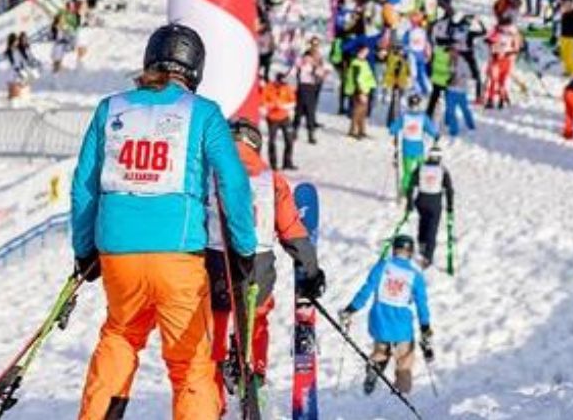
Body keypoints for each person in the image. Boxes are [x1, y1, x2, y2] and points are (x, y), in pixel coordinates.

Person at [71, 23, 257, 420]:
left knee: (120, 336)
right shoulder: (203, 112)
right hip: (178, 255)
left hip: (118, 253)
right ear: (195, 69)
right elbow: (234, 184)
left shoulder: (111, 108)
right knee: (189, 361)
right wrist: (243, 248)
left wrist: (84, 249)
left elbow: (84, 185)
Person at [209, 119, 325, 411]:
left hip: (214, 259)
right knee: (256, 319)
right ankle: (255, 376)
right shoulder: (270, 179)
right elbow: (292, 231)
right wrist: (310, 271)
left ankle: (212, 396)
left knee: (216, 322)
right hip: (258, 262)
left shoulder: (206, 174)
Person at [339, 235, 433, 396]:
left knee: (381, 350)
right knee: (405, 360)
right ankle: (402, 392)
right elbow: (421, 304)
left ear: (394, 250)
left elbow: (366, 290)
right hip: (402, 326)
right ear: (410, 252)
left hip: (380, 322)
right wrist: (425, 328)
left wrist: (351, 309)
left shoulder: (382, 266)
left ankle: (374, 367)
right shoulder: (415, 275)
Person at [406, 146, 455, 268]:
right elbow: (449, 190)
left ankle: (422, 245)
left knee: (423, 223)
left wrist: (410, 202)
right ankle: (428, 257)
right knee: (432, 229)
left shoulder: (420, 168)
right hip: (434, 201)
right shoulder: (442, 170)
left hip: (421, 200)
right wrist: (450, 206)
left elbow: (410, 186)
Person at [389, 95, 440, 193]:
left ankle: (405, 190)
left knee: (408, 172)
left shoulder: (405, 117)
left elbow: (393, 128)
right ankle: (414, 189)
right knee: (419, 170)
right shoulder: (420, 117)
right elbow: (431, 129)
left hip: (409, 148)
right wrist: (435, 134)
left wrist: (393, 128)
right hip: (416, 149)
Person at [293, 41, 329, 145]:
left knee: (310, 112)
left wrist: (321, 71)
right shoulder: (300, 65)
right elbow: (292, 72)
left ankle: (311, 134)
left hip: (311, 89)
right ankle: (295, 131)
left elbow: (324, 73)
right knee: (298, 112)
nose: (308, 60)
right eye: (306, 57)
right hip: (301, 88)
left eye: (309, 58)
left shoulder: (315, 66)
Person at [261, 72, 298, 170]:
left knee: (289, 140)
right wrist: (272, 105)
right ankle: (273, 165)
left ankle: (287, 162)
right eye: (280, 83)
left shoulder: (287, 88)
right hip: (272, 119)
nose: (282, 85)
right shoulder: (268, 88)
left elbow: (293, 102)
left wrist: (283, 106)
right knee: (272, 141)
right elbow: (263, 103)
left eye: (283, 83)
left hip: (285, 117)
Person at [346, 46, 377, 139]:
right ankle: (353, 130)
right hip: (359, 90)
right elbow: (355, 79)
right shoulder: (356, 63)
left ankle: (361, 130)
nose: (365, 54)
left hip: (366, 89)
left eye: (366, 52)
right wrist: (360, 92)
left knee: (363, 111)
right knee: (358, 111)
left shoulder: (364, 62)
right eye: (363, 52)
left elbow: (367, 76)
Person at [444, 50, 476, 137]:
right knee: (450, 111)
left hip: (461, 91)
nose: (451, 54)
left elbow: (469, 75)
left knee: (465, 109)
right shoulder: (447, 62)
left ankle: (471, 125)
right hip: (450, 90)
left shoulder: (463, 63)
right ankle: (453, 131)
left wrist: (459, 80)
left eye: (452, 52)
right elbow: (444, 75)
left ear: (457, 52)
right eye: (449, 52)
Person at [558, 0, 573, 77]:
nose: (567, 5)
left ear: (572, 4)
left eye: (569, 4)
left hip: (571, 38)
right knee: (564, 55)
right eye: (565, 4)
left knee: (570, 55)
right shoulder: (563, 13)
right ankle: (568, 70)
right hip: (563, 37)